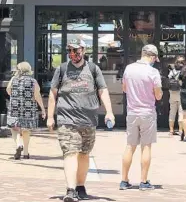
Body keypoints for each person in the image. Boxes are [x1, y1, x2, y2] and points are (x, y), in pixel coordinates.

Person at [47, 39, 115, 202]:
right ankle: (70, 190)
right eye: (69, 50)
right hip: (67, 120)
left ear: (83, 50)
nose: (72, 54)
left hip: (88, 120)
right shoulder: (62, 69)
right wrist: (50, 116)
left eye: (75, 51)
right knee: (70, 153)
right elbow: (53, 93)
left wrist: (109, 112)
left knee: (84, 154)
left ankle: (80, 186)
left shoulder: (93, 69)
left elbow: (103, 91)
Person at [119, 44, 162, 191]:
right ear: (152, 56)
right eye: (155, 58)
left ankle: (124, 180)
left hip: (132, 112)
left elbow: (124, 88)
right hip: (147, 112)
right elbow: (158, 95)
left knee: (130, 146)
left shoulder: (129, 69)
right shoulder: (153, 72)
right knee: (146, 146)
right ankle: (143, 181)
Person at [6, 62, 46, 160]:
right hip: (29, 109)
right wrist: (43, 109)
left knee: (14, 128)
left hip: (15, 108)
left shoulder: (13, 79)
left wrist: (16, 96)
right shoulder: (33, 81)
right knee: (26, 130)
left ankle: (19, 144)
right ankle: (26, 153)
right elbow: (37, 96)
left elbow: (8, 90)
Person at [168, 56, 184, 136]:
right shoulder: (183, 71)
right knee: (181, 112)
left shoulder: (172, 71)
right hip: (180, 92)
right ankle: (181, 130)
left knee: (172, 111)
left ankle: (171, 130)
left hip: (172, 92)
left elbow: (169, 79)